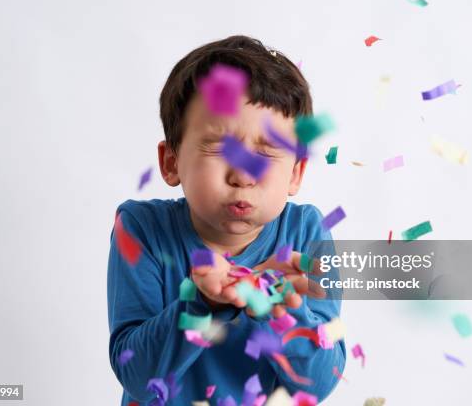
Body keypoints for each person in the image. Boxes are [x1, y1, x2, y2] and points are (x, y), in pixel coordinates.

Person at [107, 35, 345, 405]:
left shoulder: (307, 233)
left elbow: (319, 383)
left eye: (267, 153)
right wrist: (201, 303)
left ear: (296, 173)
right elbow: (137, 377)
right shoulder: (141, 229)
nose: (244, 175)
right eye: (220, 148)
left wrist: (280, 308)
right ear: (171, 162)